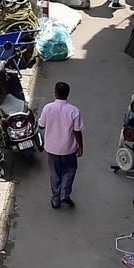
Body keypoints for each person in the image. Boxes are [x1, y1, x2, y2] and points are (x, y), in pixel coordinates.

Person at [38, 82, 83, 210]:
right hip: (68, 148)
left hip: (52, 148)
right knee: (69, 170)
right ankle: (65, 194)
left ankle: (56, 199)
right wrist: (80, 146)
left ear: (55, 93)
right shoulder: (74, 111)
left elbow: (41, 125)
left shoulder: (48, 108)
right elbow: (77, 131)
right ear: (67, 94)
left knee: (54, 172)